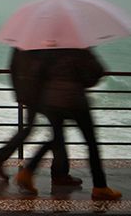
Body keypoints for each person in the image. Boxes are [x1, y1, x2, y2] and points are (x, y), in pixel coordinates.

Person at [14, 47, 122, 200]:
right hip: (75, 100)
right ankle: (100, 186)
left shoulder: (49, 49)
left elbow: (38, 74)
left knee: (56, 138)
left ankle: (28, 172)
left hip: (51, 101)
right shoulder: (80, 47)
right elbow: (97, 71)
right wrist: (82, 81)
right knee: (91, 143)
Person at [0, 48, 82, 188]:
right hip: (44, 93)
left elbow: (14, 66)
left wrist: (20, 91)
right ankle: (57, 174)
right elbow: (45, 68)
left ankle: (1, 157)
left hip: (32, 91)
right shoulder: (45, 42)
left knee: (35, 129)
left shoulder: (26, 39)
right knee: (57, 132)